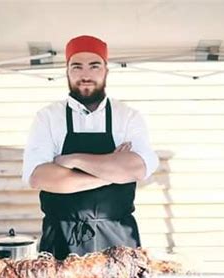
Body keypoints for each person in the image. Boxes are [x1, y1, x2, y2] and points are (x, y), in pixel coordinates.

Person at [22, 35, 159, 260]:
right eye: (77, 66)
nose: (85, 75)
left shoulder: (128, 117)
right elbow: (39, 176)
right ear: (67, 71)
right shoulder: (48, 117)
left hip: (119, 239)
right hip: (61, 239)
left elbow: (138, 168)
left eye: (94, 66)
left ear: (106, 70)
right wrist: (112, 171)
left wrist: (73, 160)